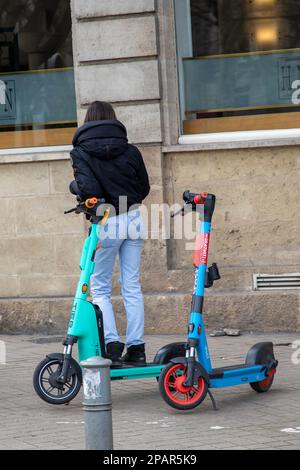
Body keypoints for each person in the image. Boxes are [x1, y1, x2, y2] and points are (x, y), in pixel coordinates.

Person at [70, 101, 150, 365]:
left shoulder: (81, 151)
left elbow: (89, 189)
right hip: (135, 216)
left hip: (107, 221)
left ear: (88, 121)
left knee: (100, 286)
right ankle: (137, 349)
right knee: (132, 286)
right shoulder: (131, 150)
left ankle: (111, 344)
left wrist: (78, 189)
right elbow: (144, 187)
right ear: (113, 121)